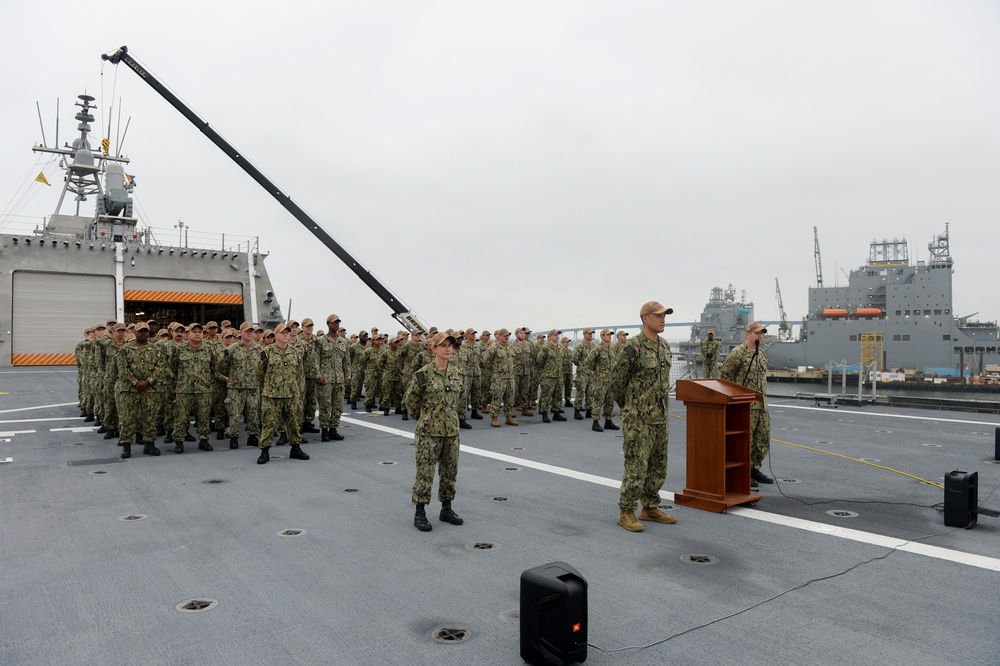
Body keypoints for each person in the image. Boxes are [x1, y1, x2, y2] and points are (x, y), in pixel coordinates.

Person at [610, 301, 678, 532]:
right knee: (636, 466)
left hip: (660, 417)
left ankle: (649, 507)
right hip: (638, 419)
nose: (663, 319)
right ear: (645, 318)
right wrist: (630, 408)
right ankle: (626, 511)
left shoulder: (665, 346)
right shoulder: (632, 347)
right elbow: (617, 383)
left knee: (659, 465)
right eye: (658, 316)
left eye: (664, 316)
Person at [405, 332, 466, 532]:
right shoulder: (423, 374)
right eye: (443, 345)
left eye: (450, 345)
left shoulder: (457, 373)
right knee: (425, 473)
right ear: (433, 348)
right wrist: (425, 418)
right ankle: (420, 512)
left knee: (450, 472)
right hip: (429, 432)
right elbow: (411, 401)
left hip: (451, 431)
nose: (448, 348)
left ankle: (446, 509)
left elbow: (458, 400)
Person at [720, 322, 773, 487]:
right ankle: (741, 471)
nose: (760, 336)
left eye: (762, 334)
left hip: (761, 405)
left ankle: (753, 468)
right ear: (747, 333)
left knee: (762, 438)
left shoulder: (762, 354)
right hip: (745, 406)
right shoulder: (737, 353)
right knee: (744, 441)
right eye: (757, 333)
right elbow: (725, 378)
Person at [257, 322, 309, 465]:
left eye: (287, 333)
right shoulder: (266, 352)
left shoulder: (295, 352)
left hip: (291, 394)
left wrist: (298, 391)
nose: (286, 335)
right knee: (268, 424)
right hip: (272, 395)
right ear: (276, 336)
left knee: (293, 423)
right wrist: (271, 386)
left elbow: (299, 374)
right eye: (283, 333)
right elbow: (260, 373)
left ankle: (295, 448)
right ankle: (265, 451)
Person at [115, 322, 163, 458]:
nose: (143, 333)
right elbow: (122, 369)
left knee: (150, 418)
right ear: (134, 333)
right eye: (140, 331)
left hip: (150, 390)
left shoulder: (156, 350)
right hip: (129, 389)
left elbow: (161, 367)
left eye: (145, 331)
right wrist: (136, 382)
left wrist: (148, 381)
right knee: (127, 418)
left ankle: (149, 444)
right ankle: (126, 446)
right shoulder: (125, 349)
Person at [585, 328, 619, 432]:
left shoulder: (612, 349)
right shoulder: (597, 349)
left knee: (609, 402)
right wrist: (595, 374)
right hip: (600, 381)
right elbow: (588, 363)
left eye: (610, 335)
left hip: (610, 381)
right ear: (602, 336)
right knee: (598, 402)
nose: (609, 336)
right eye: (607, 335)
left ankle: (608, 421)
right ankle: (595, 422)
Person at [534, 329, 567, 423]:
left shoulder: (560, 348)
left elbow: (562, 360)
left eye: (558, 335)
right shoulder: (546, 348)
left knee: (558, 395)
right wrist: (544, 373)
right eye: (555, 335)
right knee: (546, 396)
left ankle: (556, 413)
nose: (557, 336)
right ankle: (544, 413)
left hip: (559, 375)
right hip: (548, 376)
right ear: (550, 336)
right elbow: (539, 361)